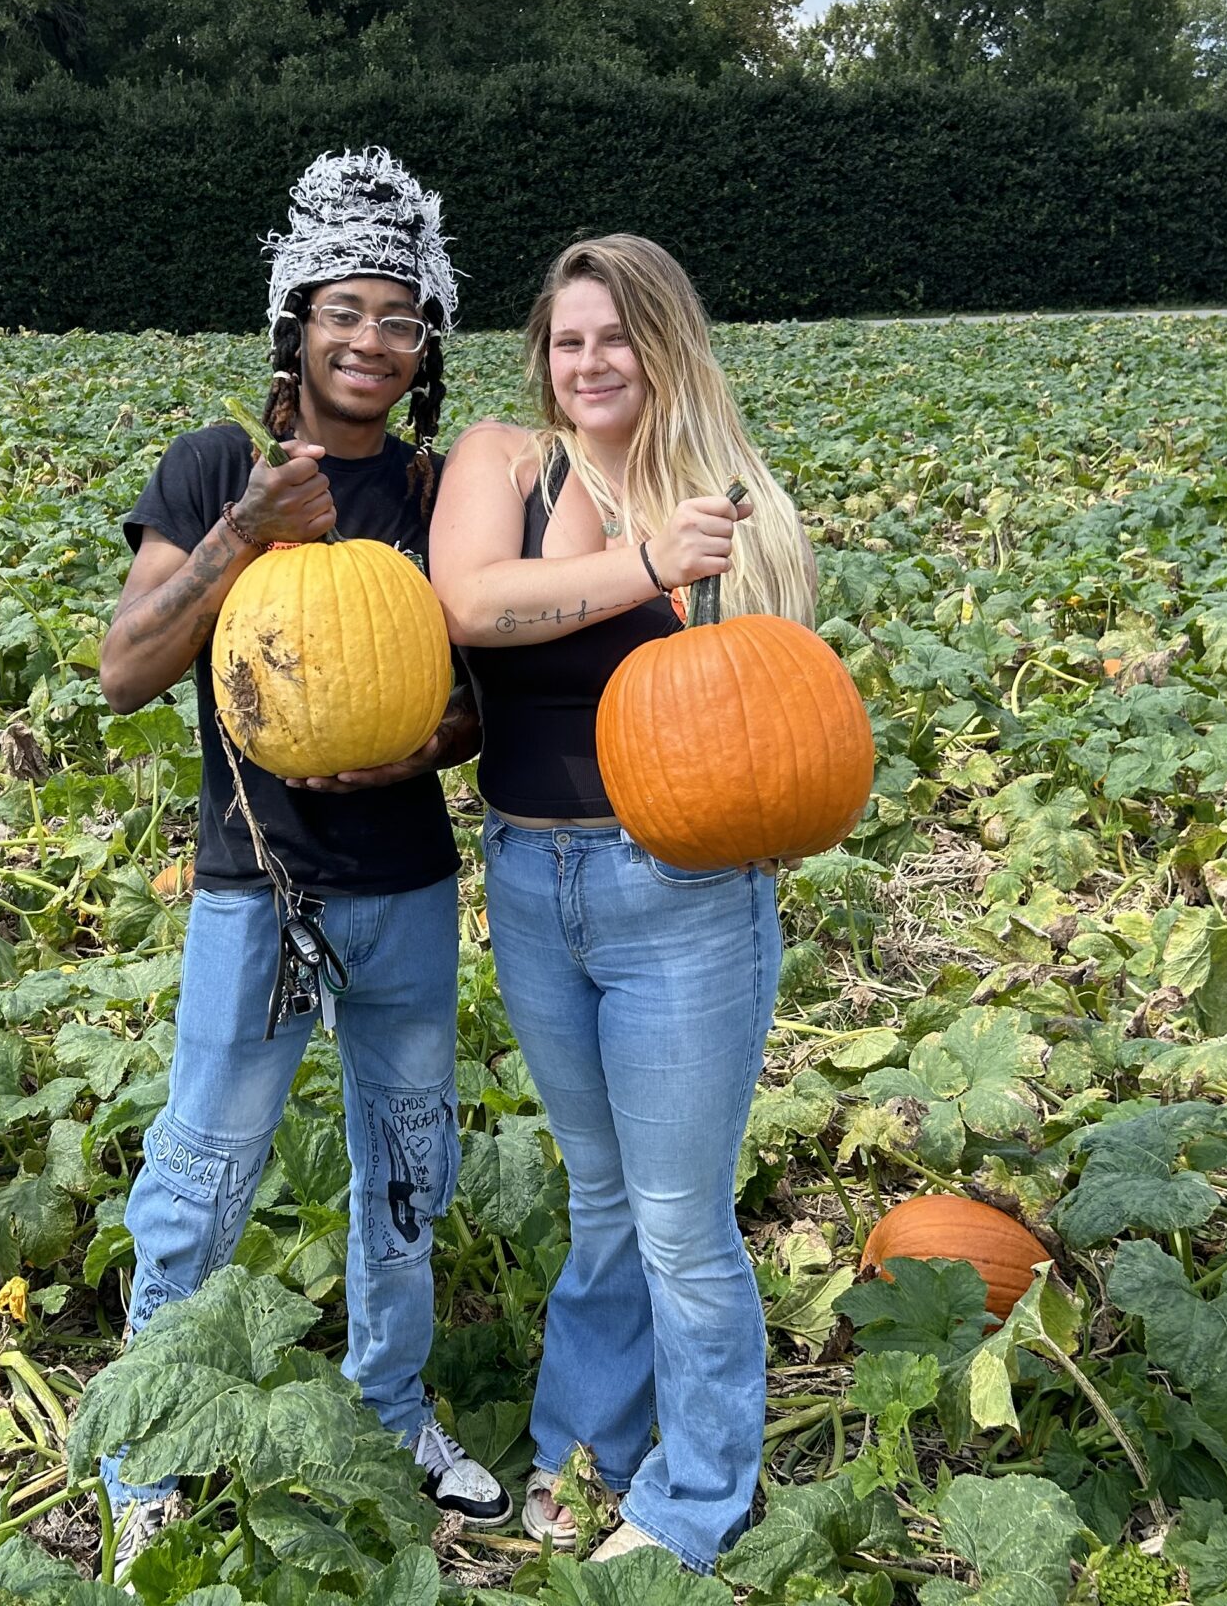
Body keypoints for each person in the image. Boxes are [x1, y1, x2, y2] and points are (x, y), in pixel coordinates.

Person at [95, 148, 509, 1570]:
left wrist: (425, 745)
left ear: (425, 343)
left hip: (402, 883)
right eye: (348, 309)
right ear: (297, 319)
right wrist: (237, 536)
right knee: (207, 1168)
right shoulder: (220, 466)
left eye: (402, 318)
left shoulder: (439, 489)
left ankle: (392, 1406)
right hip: (257, 885)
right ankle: (145, 1445)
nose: (373, 342)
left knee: (409, 1164)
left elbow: (467, 702)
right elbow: (123, 671)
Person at [428, 234, 819, 1572]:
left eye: (616, 337)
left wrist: (695, 561)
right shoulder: (506, 463)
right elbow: (473, 602)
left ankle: (694, 1497)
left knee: (677, 1217)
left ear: (665, 346)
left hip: (685, 888)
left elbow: (781, 705)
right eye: (567, 339)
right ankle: (588, 1451)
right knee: (600, 1197)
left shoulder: (727, 500)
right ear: (541, 354)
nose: (590, 363)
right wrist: (650, 562)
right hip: (535, 876)